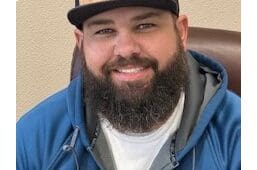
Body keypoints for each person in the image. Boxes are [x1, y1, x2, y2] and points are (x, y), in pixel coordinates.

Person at [16, 0, 241, 169]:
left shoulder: (239, 136)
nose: (125, 49)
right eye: (104, 30)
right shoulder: (32, 140)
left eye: (145, 25)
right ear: (81, 43)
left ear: (180, 32)